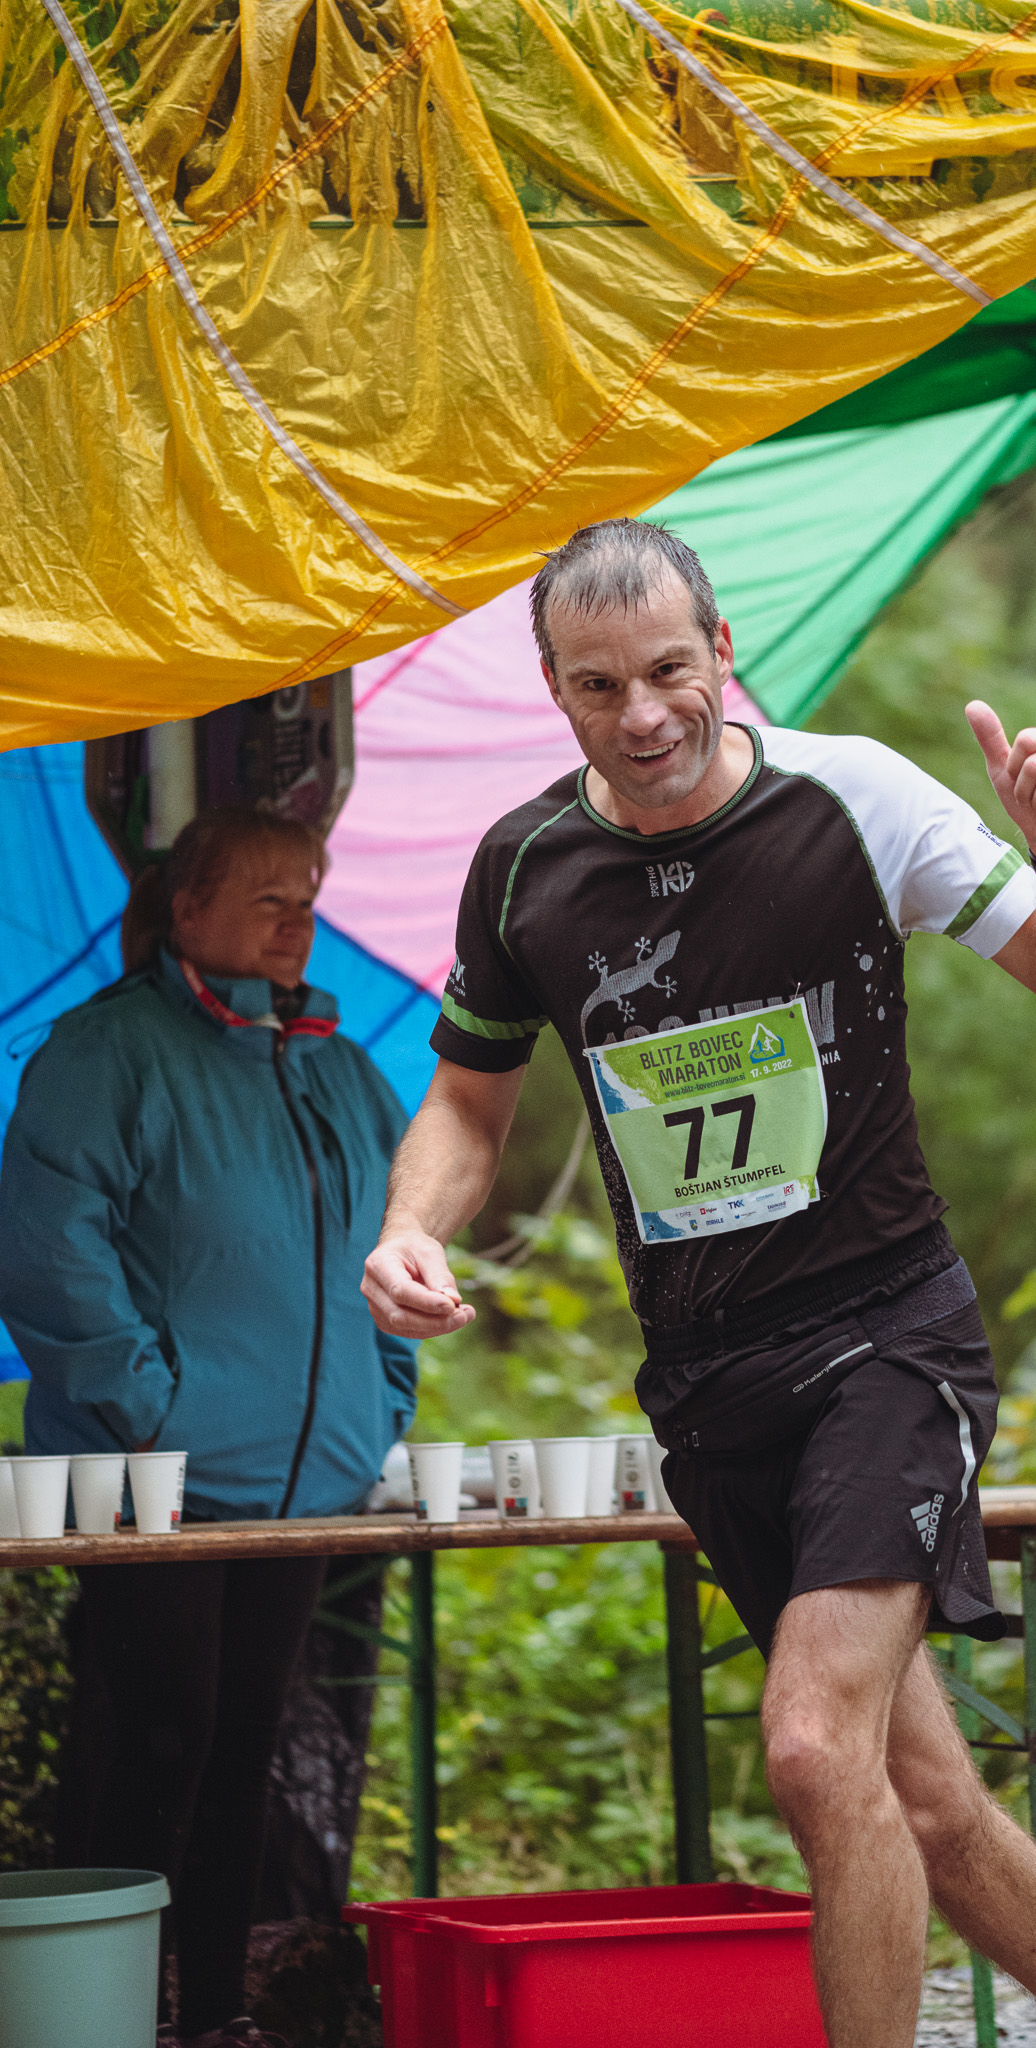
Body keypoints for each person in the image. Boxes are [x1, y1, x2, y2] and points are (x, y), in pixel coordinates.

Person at [360, 520, 1036, 2048]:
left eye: (667, 669)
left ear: (722, 650)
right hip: (711, 1385)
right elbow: (466, 1100)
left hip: (884, 1339)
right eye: (597, 686)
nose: (643, 714)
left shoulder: (850, 797)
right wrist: (409, 1226)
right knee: (916, 1791)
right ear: (554, 692)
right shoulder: (521, 872)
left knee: (806, 1744)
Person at [0, 807, 417, 2048]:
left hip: (306, 1483)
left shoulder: (340, 1068)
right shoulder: (106, 1050)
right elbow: (48, 1249)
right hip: (149, 1478)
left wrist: (382, 1397)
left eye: (307, 897)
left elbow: (395, 1245)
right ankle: (110, 2019)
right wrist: (149, 1404)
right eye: (265, 898)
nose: (297, 922)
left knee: (245, 1750)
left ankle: (221, 2013)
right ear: (186, 909)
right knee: (157, 1742)